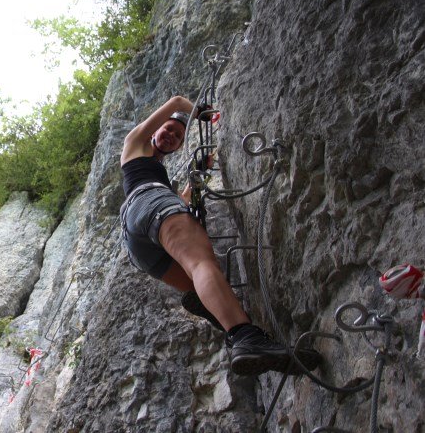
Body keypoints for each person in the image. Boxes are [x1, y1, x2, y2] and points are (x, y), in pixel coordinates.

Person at [120, 95, 320, 375]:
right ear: (155, 131)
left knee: (195, 281)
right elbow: (177, 101)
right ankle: (246, 336)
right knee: (201, 263)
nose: (172, 136)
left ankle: (217, 313)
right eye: (168, 130)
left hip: (137, 239)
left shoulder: (154, 172)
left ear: (178, 147)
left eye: (177, 136)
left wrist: (196, 177)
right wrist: (204, 114)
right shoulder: (135, 144)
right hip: (151, 203)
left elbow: (181, 203)